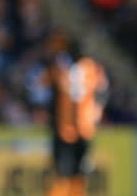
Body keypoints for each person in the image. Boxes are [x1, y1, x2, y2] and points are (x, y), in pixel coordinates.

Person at [41, 35, 108, 196]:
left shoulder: (92, 68)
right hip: (64, 128)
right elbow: (42, 89)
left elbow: (103, 90)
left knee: (80, 172)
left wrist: (98, 107)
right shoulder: (60, 67)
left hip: (84, 128)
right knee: (62, 172)